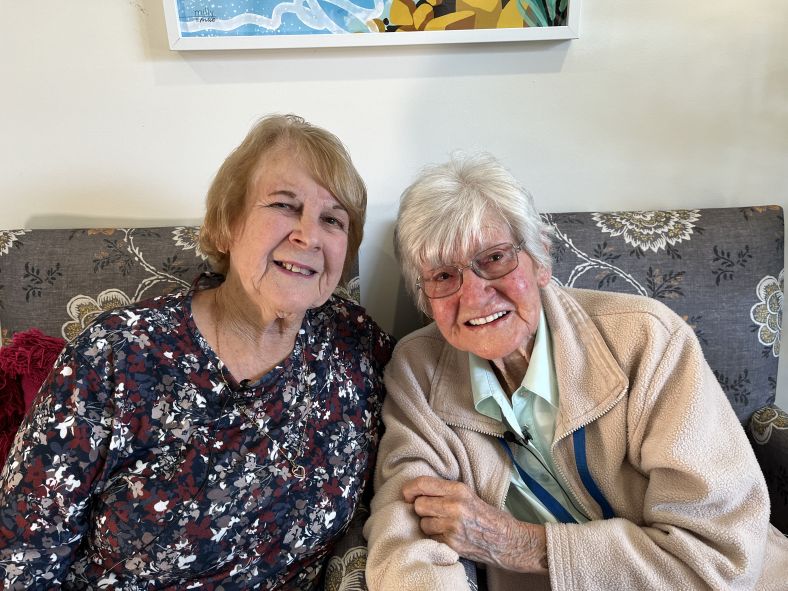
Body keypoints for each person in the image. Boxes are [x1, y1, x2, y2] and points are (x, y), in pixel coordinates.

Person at [0, 114, 393, 589]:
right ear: (228, 226)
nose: (308, 235)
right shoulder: (115, 354)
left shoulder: (354, 345)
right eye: (285, 206)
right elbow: (22, 554)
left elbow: (438, 392)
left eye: (332, 219)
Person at [364, 153, 787, 590]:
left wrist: (520, 545)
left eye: (493, 259)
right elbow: (405, 541)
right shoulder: (417, 371)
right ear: (425, 297)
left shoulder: (648, 341)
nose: (473, 296)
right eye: (443, 276)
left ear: (540, 259)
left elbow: (718, 558)